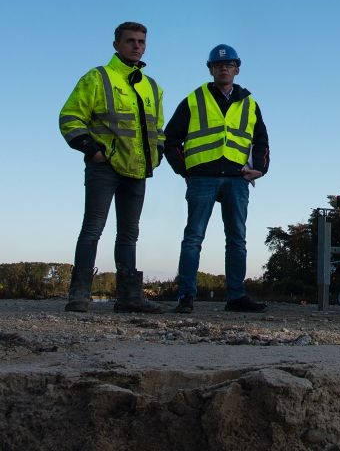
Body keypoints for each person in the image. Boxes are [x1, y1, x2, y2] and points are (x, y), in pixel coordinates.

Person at [59, 22, 164, 313]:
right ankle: (78, 295)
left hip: (138, 170)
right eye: (130, 40)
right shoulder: (97, 78)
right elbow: (70, 117)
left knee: (129, 233)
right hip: (104, 168)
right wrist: (91, 150)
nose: (136, 46)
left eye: (141, 41)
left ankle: (129, 298)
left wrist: (159, 154)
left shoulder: (152, 86)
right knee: (93, 228)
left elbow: (159, 128)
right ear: (116, 44)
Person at [164, 43, 269, 314]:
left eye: (229, 64)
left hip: (237, 178)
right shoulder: (194, 99)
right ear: (211, 69)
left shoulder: (249, 103)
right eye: (219, 65)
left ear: (236, 69)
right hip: (202, 178)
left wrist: (260, 169)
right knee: (193, 238)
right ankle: (186, 297)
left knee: (237, 239)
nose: (224, 68)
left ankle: (236, 297)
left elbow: (261, 141)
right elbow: (170, 138)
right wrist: (183, 169)